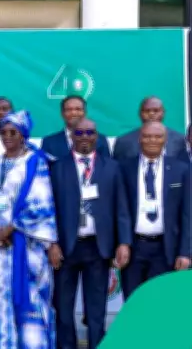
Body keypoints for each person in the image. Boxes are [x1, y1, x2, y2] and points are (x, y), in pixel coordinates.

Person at [0, 111, 57, 349]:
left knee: (29, 303)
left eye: (14, 132)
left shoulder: (35, 163)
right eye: (4, 132)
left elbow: (41, 204)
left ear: (23, 136)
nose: (8, 136)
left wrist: (10, 229)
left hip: (25, 248)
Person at [49, 118, 131, 349]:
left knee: (96, 309)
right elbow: (49, 209)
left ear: (97, 136)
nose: (84, 137)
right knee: (63, 308)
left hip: (98, 246)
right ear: (71, 136)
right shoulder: (57, 168)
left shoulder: (112, 168)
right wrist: (52, 243)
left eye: (90, 132)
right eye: (79, 133)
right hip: (66, 247)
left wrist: (123, 242)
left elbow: (121, 209)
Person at [119, 121, 191, 298]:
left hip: (166, 249)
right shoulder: (124, 168)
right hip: (134, 248)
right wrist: (122, 243)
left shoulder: (181, 169)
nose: (152, 140)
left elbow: (187, 215)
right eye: (147, 136)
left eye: (157, 137)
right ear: (139, 139)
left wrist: (185, 252)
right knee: (134, 301)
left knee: (161, 301)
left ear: (165, 140)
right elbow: (119, 210)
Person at [112, 96, 188, 162]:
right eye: (147, 111)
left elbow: (184, 167)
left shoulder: (178, 139)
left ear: (163, 113)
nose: (151, 114)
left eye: (156, 110)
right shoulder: (123, 141)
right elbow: (116, 169)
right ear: (140, 113)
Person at [40, 95, 111, 162]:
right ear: (62, 114)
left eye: (78, 109)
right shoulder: (49, 142)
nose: (73, 113)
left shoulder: (100, 140)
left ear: (85, 113)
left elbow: (107, 167)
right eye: (69, 110)